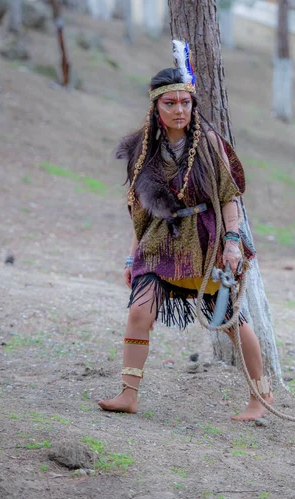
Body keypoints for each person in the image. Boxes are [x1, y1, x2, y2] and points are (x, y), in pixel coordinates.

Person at [98, 41, 273, 421]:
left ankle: (261, 398)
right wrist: (132, 255)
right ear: (156, 107)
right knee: (139, 313)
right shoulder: (144, 149)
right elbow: (139, 211)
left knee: (229, 321)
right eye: (170, 103)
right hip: (160, 242)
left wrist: (232, 242)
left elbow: (229, 197)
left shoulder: (208, 143)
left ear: (193, 105)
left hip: (207, 243)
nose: (179, 110)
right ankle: (128, 394)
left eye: (185, 103)